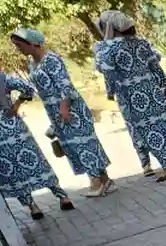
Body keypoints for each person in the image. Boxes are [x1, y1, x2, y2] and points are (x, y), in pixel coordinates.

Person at [10, 27, 115, 198]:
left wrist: (64, 108)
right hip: (54, 110)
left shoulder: (51, 60)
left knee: (83, 143)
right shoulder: (32, 63)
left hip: (70, 108)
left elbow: (65, 85)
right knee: (73, 145)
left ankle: (96, 180)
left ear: (33, 43)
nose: (18, 49)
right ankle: (104, 179)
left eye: (20, 45)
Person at [93, 9, 166, 182]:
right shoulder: (140, 42)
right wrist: (165, 84)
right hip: (153, 90)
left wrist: (110, 92)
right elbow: (155, 66)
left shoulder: (109, 48)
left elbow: (107, 71)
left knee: (148, 129)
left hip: (132, 96)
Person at [0, 70, 74, 219]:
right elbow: (27, 87)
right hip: (13, 124)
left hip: (8, 128)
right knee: (35, 161)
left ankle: (33, 207)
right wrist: (16, 105)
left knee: (12, 170)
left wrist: (16, 105)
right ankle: (62, 197)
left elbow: (27, 87)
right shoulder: (3, 78)